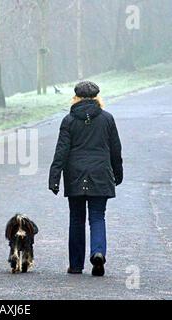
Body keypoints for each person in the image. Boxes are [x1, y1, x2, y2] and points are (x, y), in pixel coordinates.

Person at [48, 81, 123, 276]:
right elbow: (116, 149)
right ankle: (98, 252)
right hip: (101, 173)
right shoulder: (107, 119)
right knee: (98, 216)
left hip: (75, 174)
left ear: (76, 98)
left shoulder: (69, 120)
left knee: (76, 218)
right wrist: (118, 172)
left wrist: (54, 177)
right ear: (98, 98)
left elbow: (61, 151)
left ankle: (75, 265)